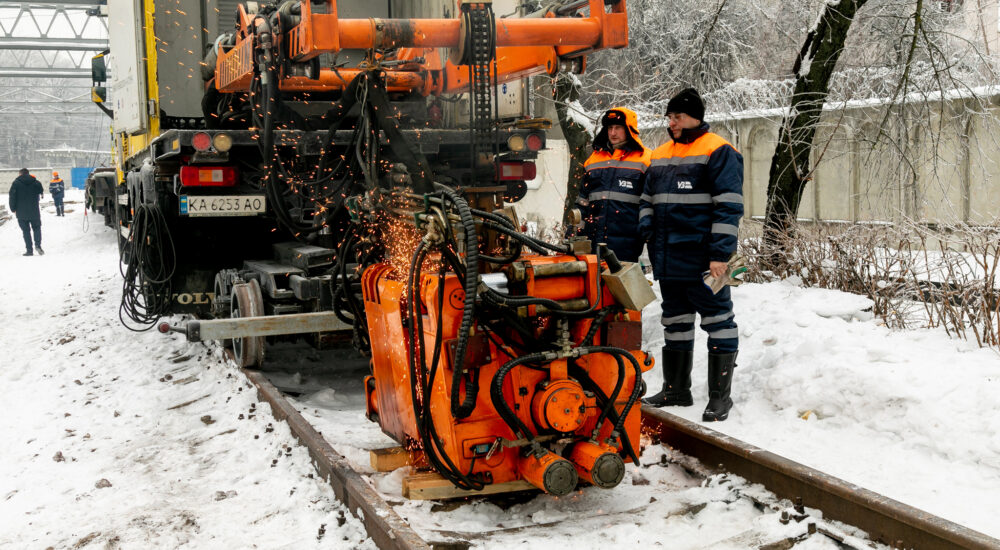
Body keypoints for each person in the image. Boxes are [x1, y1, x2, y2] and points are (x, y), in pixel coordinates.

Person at [639, 88, 743, 421]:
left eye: (678, 117)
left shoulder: (719, 151)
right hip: (668, 261)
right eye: (669, 117)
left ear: (695, 117)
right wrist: (649, 234)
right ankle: (676, 390)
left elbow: (729, 207)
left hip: (706, 262)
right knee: (675, 323)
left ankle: (719, 397)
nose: (672, 123)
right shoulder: (658, 155)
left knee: (719, 323)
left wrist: (720, 256)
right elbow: (646, 201)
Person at [577, 107, 651, 263]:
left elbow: (649, 204)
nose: (613, 133)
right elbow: (582, 203)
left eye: (618, 128)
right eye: (610, 128)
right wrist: (574, 233)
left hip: (626, 245)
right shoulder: (593, 160)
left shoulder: (645, 160)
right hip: (592, 243)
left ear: (630, 129)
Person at [9, 168, 45, 256]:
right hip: (34, 211)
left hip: (21, 212)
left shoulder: (16, 183)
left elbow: (12, 196)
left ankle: (29, 250)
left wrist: (13, 208)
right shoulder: (36, 182)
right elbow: (41, 190)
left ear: (20, 174)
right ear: (28, 174)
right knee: (36, 228)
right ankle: (38, 245)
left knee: (26, 231)